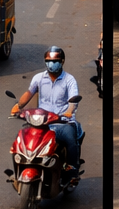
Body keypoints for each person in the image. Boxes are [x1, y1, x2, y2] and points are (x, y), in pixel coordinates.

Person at [12, 46, 83, 175]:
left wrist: (69, 110)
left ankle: (72, 170)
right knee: (22, 138)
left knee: (70, 140)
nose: (52, 64)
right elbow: (29, 92)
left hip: (63, 122)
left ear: (62, 61)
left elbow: (73, 100)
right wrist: (19, 106)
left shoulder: (69, 80)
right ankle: (19, 169)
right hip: (42, 122)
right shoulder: (38, 78)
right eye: (49, 61)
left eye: (55, 61)